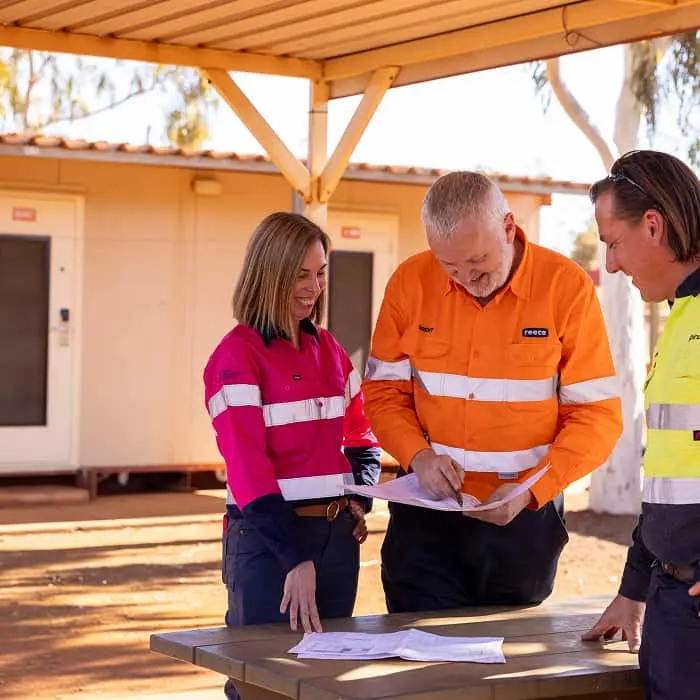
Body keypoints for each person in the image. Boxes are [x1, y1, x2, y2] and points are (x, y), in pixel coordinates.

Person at [362, 171, 623, 613]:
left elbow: (596, 416)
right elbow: (384, 393)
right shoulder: (408, 283)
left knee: (504, 664)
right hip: (426, 521)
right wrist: (419, 457)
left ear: (508, 227)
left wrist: (530, 492)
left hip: (523, 521)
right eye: (449, 266)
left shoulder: (567, 288)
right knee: (420, 663)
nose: (465, 277)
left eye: (478, 261)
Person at [203, 212, 381, 700]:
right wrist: (295, 558)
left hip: (336, 540)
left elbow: (362, 439)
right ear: (269, 273)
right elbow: (247, 468)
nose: (313, 286)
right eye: (300, 275)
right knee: (262, 683)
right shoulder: (235, 356)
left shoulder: (331, 350)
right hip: (268, 543)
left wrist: (359, 503)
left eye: (320, 272)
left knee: (327, 683)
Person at [582, 150, 700, 700]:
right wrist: (635, 589)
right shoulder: (680, 318)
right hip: (669, 600)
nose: (609, 264)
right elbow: (670, 481)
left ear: (653, 225)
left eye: (613, 243)